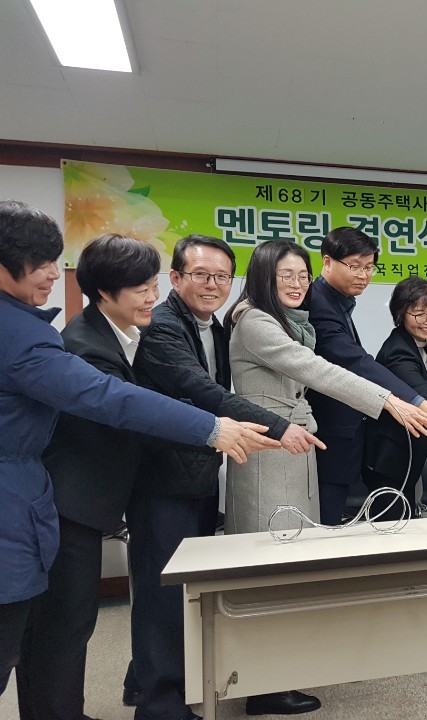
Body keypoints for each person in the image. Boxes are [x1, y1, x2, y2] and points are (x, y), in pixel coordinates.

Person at [0, 203, 274, 702]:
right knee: (59, 629)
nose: (51, 274)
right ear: (106, 291)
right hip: (64, 501)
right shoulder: (73, 342)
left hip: (68, 500)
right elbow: (116, 401)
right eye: (39, 263)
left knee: (60, 627)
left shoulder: (120, 333)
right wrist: (212, 429)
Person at [128, 235, 322, 719]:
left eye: (221, 276)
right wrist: (279, 426)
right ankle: (159, 706)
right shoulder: (164, 326)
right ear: (176, 277)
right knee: (164, 592)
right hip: (161, 479)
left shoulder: (214, 325)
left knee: (189, 591)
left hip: (197, 473)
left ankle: (149, 682)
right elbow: (201, 390)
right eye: (201, 274)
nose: (212, 285)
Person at [226, 240, 427, 531]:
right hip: (269, 445)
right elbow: (318, 371)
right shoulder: (256, 321)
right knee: (271, 539)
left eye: (303, 276)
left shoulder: (290, 322)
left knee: (300, 538)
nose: (297, 284)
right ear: (264, 276)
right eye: (286, 275)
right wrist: (387, 400)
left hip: (297, 441)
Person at [307, 227, 427, 524]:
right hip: (334, 436)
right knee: (327, 527)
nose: (364, 275)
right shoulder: (319, 303)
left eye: (369, 267)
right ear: (327, 262)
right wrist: (417, 402)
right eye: (355, 266)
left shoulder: (338, 302)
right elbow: (355, 361)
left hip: (352, 440)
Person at [363, 275, 427, 520]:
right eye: (419, 314)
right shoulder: (398, 351)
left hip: (405, 457)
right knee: (392, 526)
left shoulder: (419, 345)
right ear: (401, 314)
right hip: (388, 461)